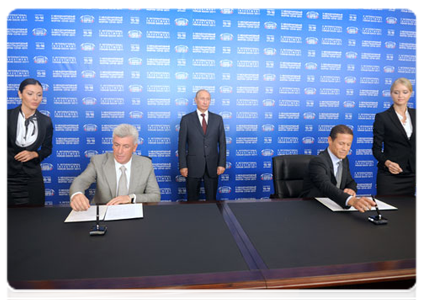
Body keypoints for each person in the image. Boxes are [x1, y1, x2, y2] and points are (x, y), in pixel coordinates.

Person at [69, 124, 160, 211]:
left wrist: (131, 198)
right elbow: (81, 180)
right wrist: (77, 194)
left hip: (133, 215)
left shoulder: (146, 164)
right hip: (103, 215)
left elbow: (155, 196)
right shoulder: (98, 161)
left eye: (126, 146)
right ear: (112, 144)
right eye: (117, 145)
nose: (120, 151)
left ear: (134, 147)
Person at [300, 125, 376, 212]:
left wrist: (351, 189)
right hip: (313, 208)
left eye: (348, 144)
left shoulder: (344, 160)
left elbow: (350, 182)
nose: (345, 149)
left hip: (334, 206)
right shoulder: (318, 161)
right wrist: (351, 200)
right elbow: (326, 186)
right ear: (330, 140)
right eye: (341, 144)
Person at [5, 78, 53, 206]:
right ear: (20, 94)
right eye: (30, 94)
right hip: (7, 177)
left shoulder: (46, 121)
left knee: (36, 218)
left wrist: (35, 154)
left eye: (39, 95)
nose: (35, 98)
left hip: (33, 178)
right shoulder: (5, 117)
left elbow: (47, 149)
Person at [372, 78, 420, 196]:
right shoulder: (382, 117)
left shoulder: (418, 115)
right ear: (391, 94)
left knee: (406, 212)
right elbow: (376, 150)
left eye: (404, 92)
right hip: (389, 175)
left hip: (411, 174)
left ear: (410, 93)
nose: (400, 96)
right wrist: (387, 163)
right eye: (396, 92)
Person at [178, 89, 226, 201]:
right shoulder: (186, 119)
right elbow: (181, 145)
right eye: (202, 98)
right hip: (192, 166)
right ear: (195, 100)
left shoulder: (218, 119)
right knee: (192, 200)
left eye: (208, 99)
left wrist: (221, 164)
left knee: (211, 199)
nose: (205, 102)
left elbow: (222, 143)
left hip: (213, 165)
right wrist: (183, 165)